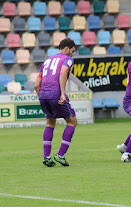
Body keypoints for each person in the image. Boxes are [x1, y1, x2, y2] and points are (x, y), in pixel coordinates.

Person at [35, 38, 77, 167]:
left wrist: (42, 96)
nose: (73, 54)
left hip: (43, 94)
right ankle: (60, 155)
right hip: (56, 93)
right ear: (66, 48)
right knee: (72, 122)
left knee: (50, 122)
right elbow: (63, 72)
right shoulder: (67, 59)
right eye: (72, 51)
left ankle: (46, 157)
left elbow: (37, 85)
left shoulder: (47, 61)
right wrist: (62, 93)